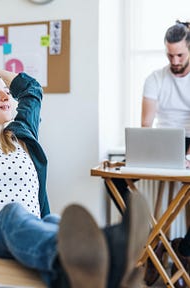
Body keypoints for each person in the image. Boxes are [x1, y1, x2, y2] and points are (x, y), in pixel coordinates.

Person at [0, 42, 151, 287]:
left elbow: (30, 87)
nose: (5, 95)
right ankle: (105, 249)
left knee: (53, 222)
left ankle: (97, 267)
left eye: (7, 92)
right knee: (12, 214)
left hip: (27, 245)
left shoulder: (21, 137)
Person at [133, 20, 190, 287]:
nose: (175, 60)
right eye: (170, 55)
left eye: (180, 54)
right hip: (164, 141)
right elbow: (146, 125)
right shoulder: (155, 78)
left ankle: (183, 251)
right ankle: (158, 249)